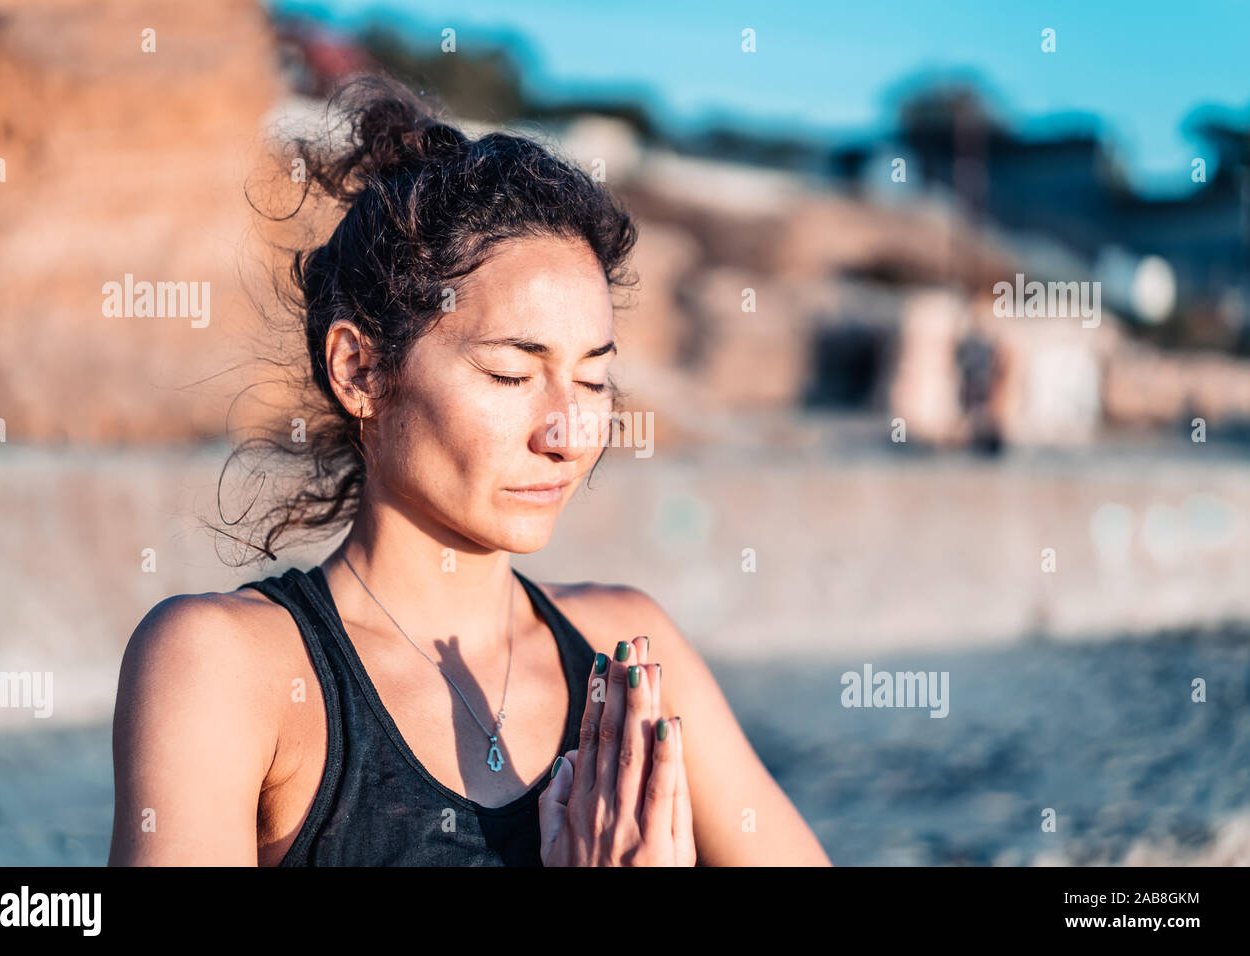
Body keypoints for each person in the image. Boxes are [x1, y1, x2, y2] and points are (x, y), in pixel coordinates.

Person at [108, 75, 830, 867]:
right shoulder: (226, 666)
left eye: (593, 379)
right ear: (359, 370)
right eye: (511, 375)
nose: (569, 432)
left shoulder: (630, 654)